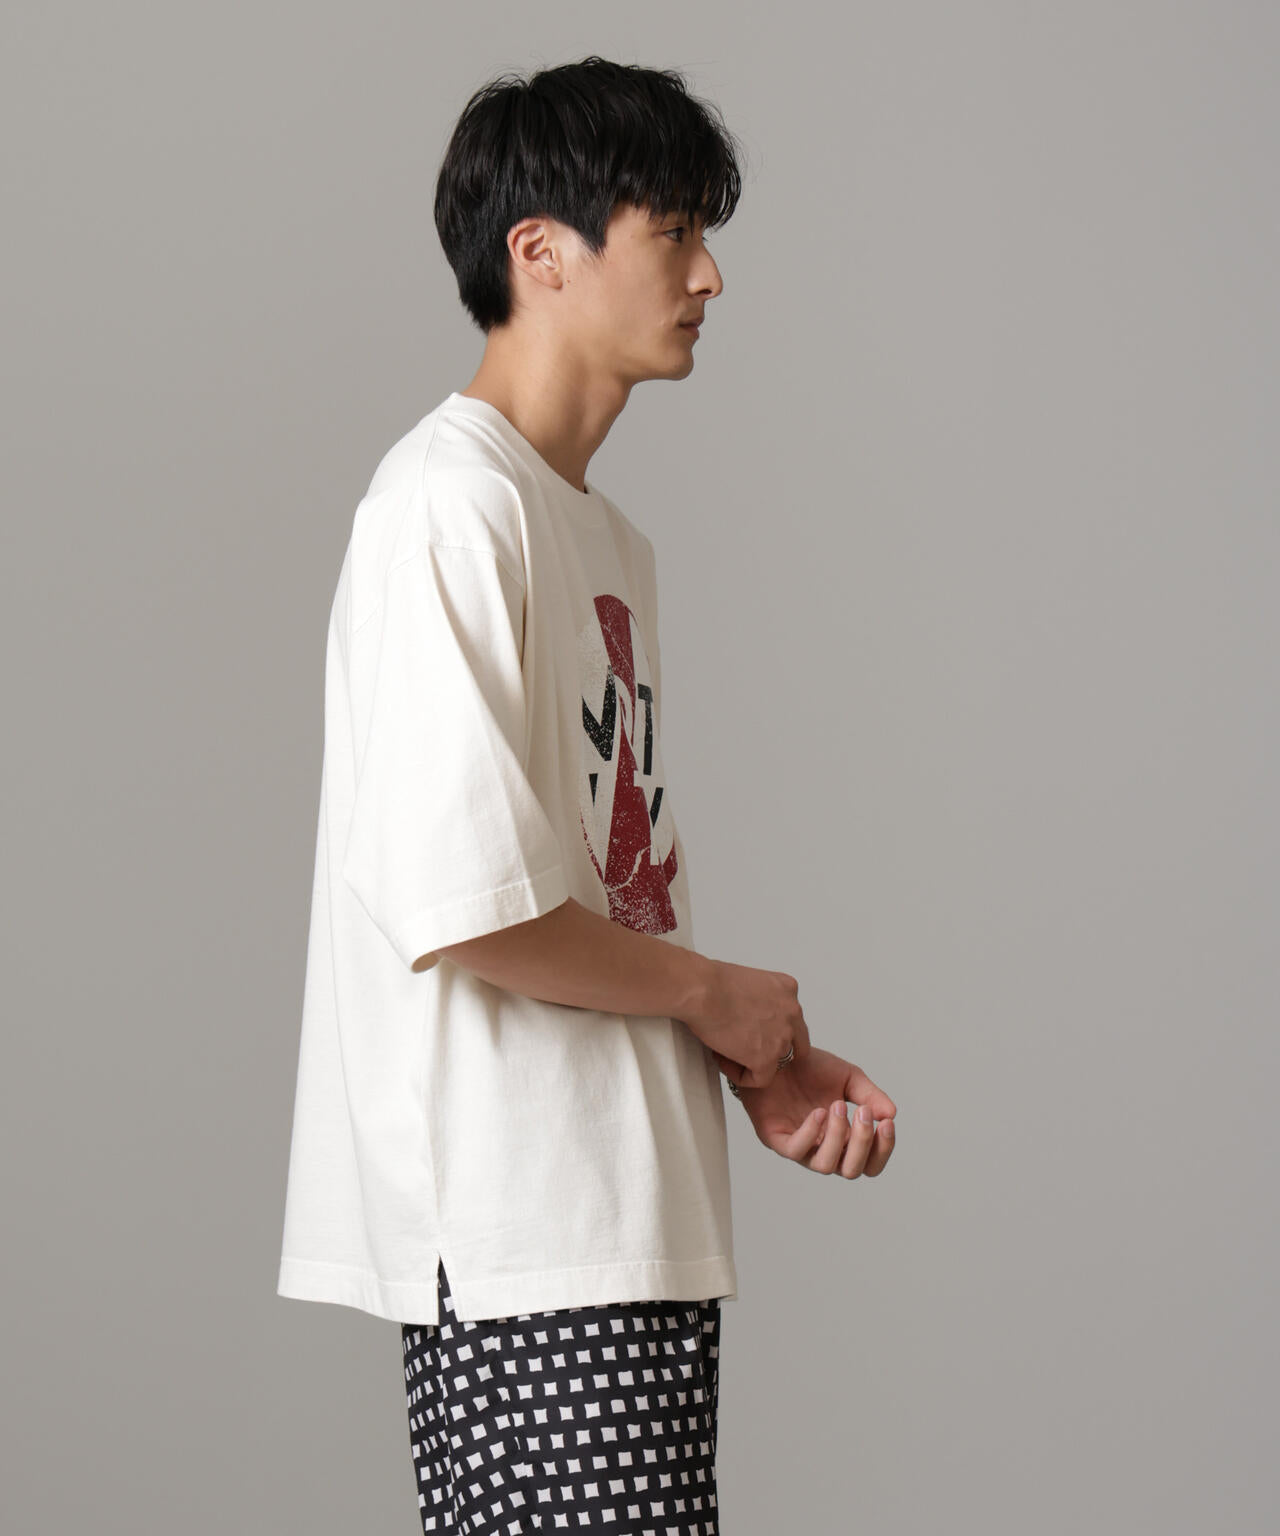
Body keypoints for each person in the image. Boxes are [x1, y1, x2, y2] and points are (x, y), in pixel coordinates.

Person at [276, 55, 897, 1534]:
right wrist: (718, 996)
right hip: (527, 1245)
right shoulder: (448, 507)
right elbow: (461, 906)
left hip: (623, 1221)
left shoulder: (600, 538)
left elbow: (599, 889)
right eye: (673, 232)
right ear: (540, 252)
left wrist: (747, 1054)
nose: (709, 276)